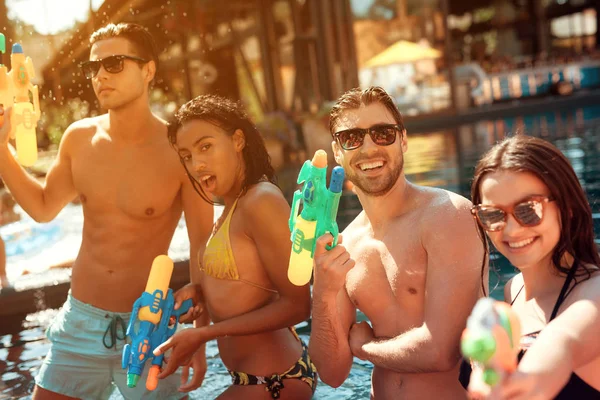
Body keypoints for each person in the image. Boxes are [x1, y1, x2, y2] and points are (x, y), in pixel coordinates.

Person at [0, 23, 213, 399]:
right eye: (93, 67)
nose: (99, 75)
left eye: (114, 63)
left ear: (148, 70)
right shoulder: (79, 140)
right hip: (80, 322)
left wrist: (197, 333)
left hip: (149, 327)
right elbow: (43, 207)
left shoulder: (178, 152)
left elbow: (201, 246)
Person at [308, 86, 487, 399]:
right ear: (338, 151)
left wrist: (364, 346)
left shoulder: (447, 216)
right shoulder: (344, 243)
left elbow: (440, 352)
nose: (368, 148)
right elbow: (332, 374)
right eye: (352, 138)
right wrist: (323, 291)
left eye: (382, 133)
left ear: (403, 140)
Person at [153, 94, 314, 399]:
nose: (197, 163)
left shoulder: (260, 200)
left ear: (238, 140)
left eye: (205, 146)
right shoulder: (231, 209)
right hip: (253, 379)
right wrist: (201, 293)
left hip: (275, 381)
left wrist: (203, 334)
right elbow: (249, 284)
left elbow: (298, 304)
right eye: (186, 155)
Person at [469, 135, 600, 399]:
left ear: (568, 207)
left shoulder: (595, 293)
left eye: (528, 209)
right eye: (493, 215)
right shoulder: (512, 290)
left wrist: (524, 382)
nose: (512, 229)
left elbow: (563, 340)